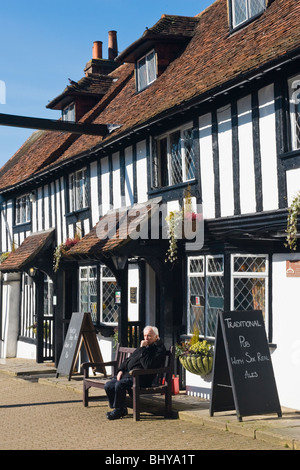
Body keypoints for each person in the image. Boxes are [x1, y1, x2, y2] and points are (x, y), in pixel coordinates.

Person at [104, 325, 166, 420]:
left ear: (156, 337)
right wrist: (120, 370)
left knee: (119, 385)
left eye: (149, 336)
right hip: (128, 375)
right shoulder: (145, 346)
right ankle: (120, 408)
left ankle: (118, 410)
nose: (146, 338)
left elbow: (147, 365)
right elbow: (129, 359)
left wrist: (142, 349)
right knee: (108, 385)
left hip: (142, 378)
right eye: (145, 335)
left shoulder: (159, 350)